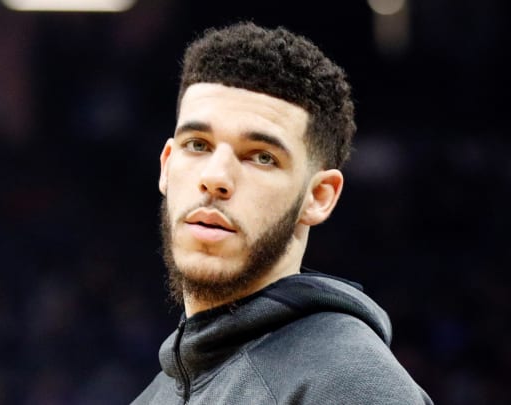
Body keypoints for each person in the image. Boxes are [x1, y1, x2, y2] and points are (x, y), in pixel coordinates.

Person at [132, 22, 433, 404]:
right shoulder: (153, 397)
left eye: (262, 156)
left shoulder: (349, 384)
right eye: (198, 144)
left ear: (319, 196)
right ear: (166, 165)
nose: (215, 178)